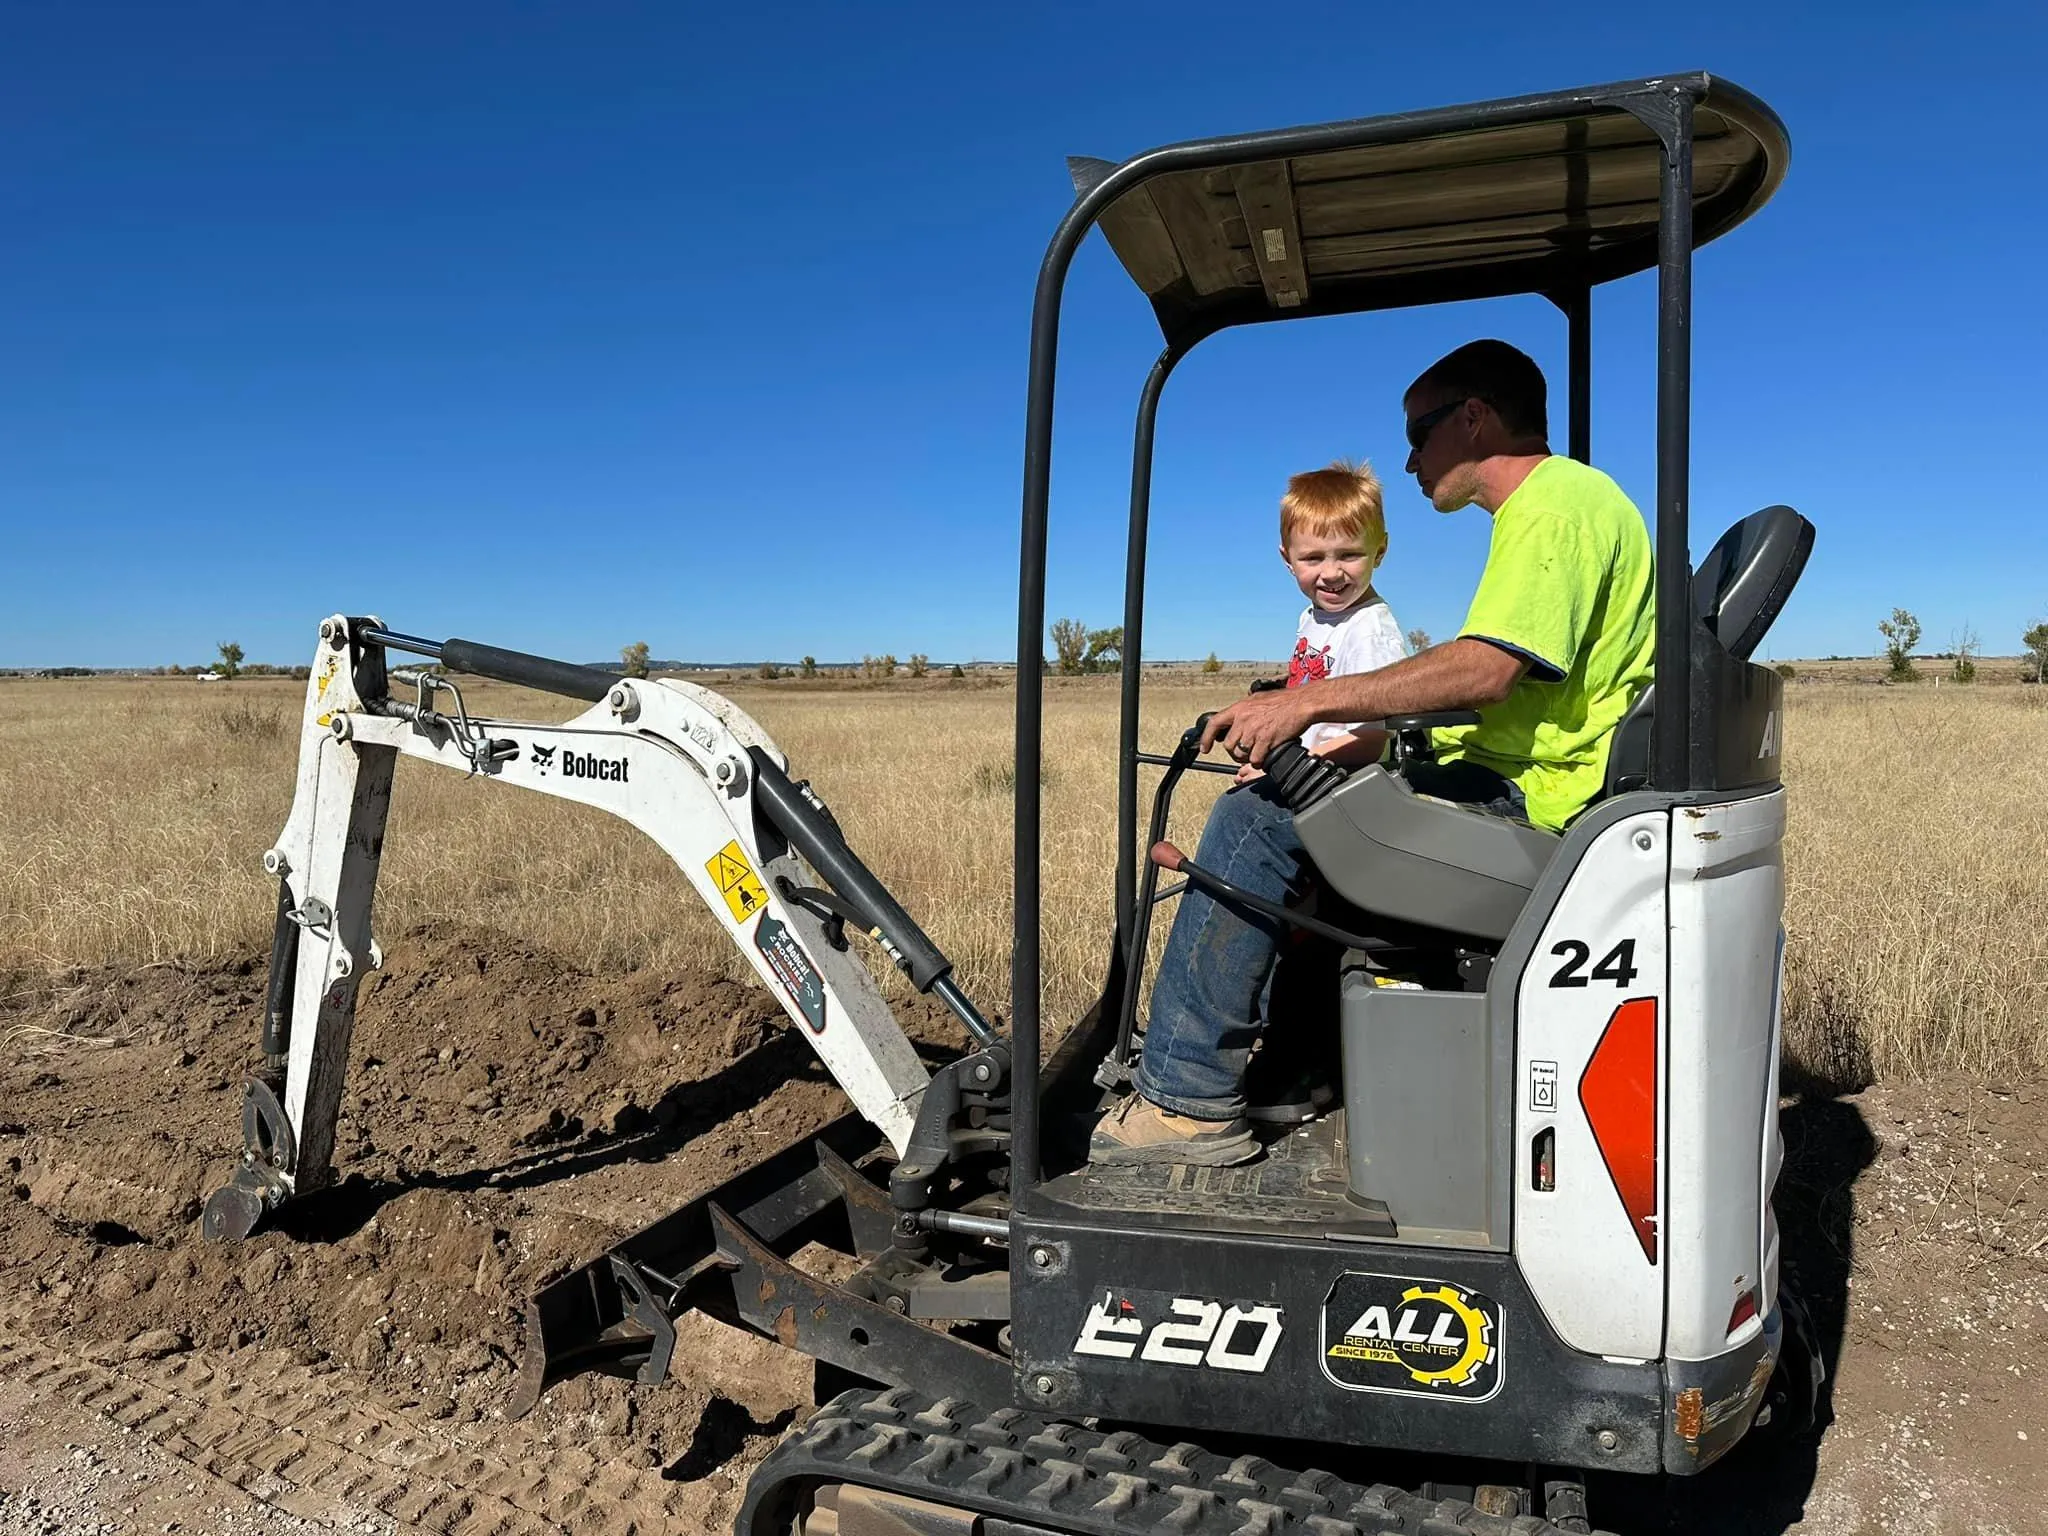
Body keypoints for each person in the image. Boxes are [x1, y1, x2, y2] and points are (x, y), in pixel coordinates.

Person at [1091, 339, 1655, 1167]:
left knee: (1254, 821)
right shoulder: (1556, 507)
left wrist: (1307, 703)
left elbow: (1487, 668)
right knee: (1314, 805)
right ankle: (1301, 1068)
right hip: (1516, 781)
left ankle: (1185, 1104)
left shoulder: (1557, 507)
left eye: (1420, 431)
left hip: (1532, 804)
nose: (1411, 457)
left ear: (1474, 418)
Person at [1265, 460, 1406, 775]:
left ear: (1379, 552)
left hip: (1344, 784)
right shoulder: (1312, 618)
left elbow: (1370, 739)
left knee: (1238, 815)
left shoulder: (1370, 630)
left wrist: (1288, 767)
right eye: (1313, 558)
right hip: (1309, 774)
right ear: (1288, 559)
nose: (1330, 573)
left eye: (1349, 555)